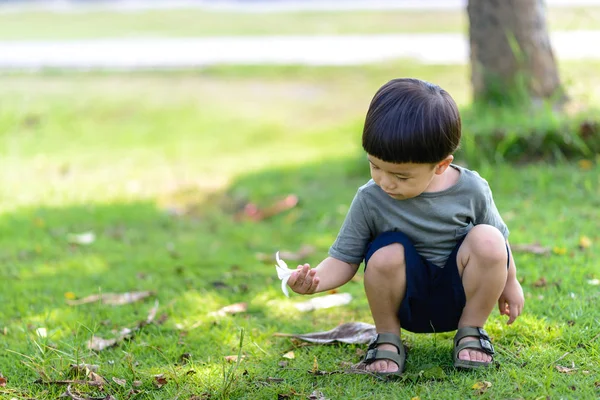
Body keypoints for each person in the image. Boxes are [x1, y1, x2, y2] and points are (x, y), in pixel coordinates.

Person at [285, 78, 525, 376]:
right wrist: (315, 280)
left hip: (461, 297)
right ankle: (387, 338)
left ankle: (472, 331)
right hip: (404, 303)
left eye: (401, 175)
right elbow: (344, 259)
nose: (385, 181)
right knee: (386, 253)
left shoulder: (472, 189)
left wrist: (511, 283)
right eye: (375, 166)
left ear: (440, 164)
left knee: (488, 238)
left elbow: (500, 241)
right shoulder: (370, 198)